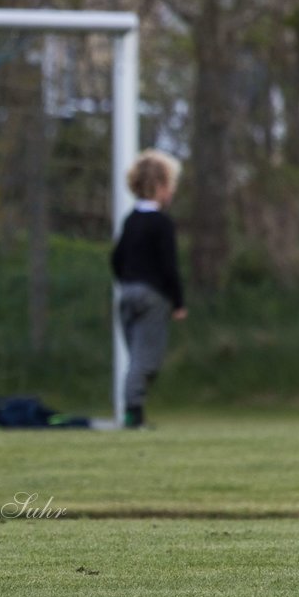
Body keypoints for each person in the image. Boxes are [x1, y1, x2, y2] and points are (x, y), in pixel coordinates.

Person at [110, 148, 187, 429]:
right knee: (146, 361)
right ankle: (133, 415)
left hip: (127, 294)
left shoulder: (130, 220)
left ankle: (134, 410)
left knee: (135, 358)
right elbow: (169, 265)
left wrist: (126, 283)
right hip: (152, 297)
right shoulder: (162, 224)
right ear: (161, 187)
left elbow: (116, 258)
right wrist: (178, 301)